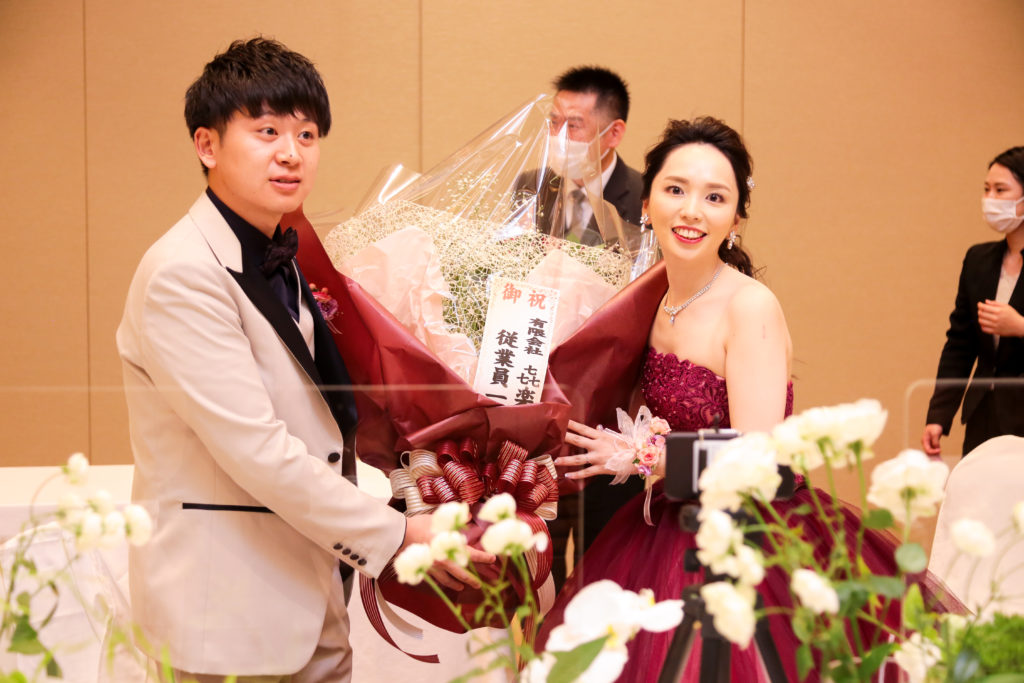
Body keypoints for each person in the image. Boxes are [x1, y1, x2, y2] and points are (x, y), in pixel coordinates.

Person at [116, 38, 488, 682]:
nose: (291, 152)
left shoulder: (285, 258)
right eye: (267, 131)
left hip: (311, 594)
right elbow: (256, 448)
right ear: (207, 145)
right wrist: (400, 534)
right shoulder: (183, 274)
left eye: (307, 135)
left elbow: (328, 422)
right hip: (227, 612)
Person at [538, 117, 949, 682]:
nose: (691, 211)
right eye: (675, 189)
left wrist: (644, 456)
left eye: (715, 197)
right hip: (665, 523)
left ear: (735, 219)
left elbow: (763, 458)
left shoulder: (748, 306)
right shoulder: (649, 299)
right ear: (647, 202)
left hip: (751, 537)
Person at [922, 146, 1024, 457]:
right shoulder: (979, 259)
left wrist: (1020, 326)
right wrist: (939, 415)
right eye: (986, 189)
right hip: (983, 415)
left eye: (1000, 190)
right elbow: (960, 343)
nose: (990, 198)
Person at [520, 66, 644, 250]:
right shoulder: (529, 184)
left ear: (614, 133)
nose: (558, 136)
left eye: (573, 125)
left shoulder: (644, 196)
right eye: (554, 122)